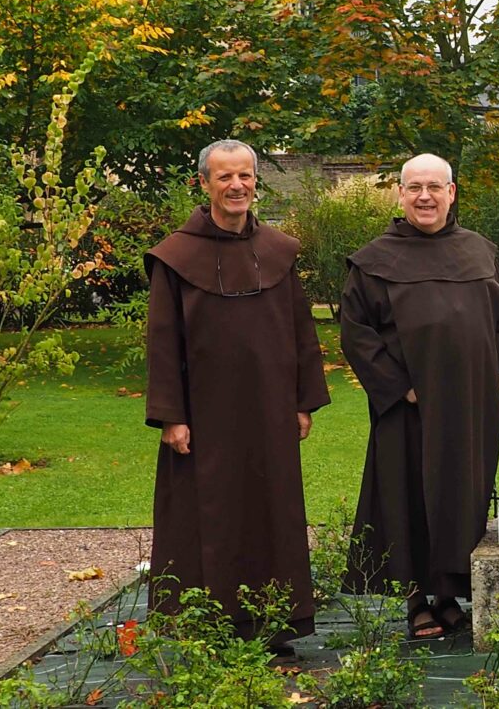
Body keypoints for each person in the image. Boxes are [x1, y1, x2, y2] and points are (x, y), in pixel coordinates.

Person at [144, 139, 329, 650]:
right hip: (203, 417)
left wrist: (302, 401)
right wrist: (171, 416)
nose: (237, 186)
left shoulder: (279, 251)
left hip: (270, 410)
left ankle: (274, 623)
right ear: (204, 183)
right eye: (225, 177)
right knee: (207, 518)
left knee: (273, 514)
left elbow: (301, 330)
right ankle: (207, 626)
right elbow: (162, 341)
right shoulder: (175, 257)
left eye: (245, 175)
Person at [340, 154, 499, 639]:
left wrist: (498, 370)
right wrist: (399, 386)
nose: (424, 197)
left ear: (451, 193)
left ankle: (448, 596)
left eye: (434, 187)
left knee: (463, 493)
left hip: (471, 402)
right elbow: (356, 334)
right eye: (414, 187)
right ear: (400, 194)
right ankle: (417, 599)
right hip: (410, 406)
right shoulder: (374, 261)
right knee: (409, 495)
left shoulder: (479, 252)